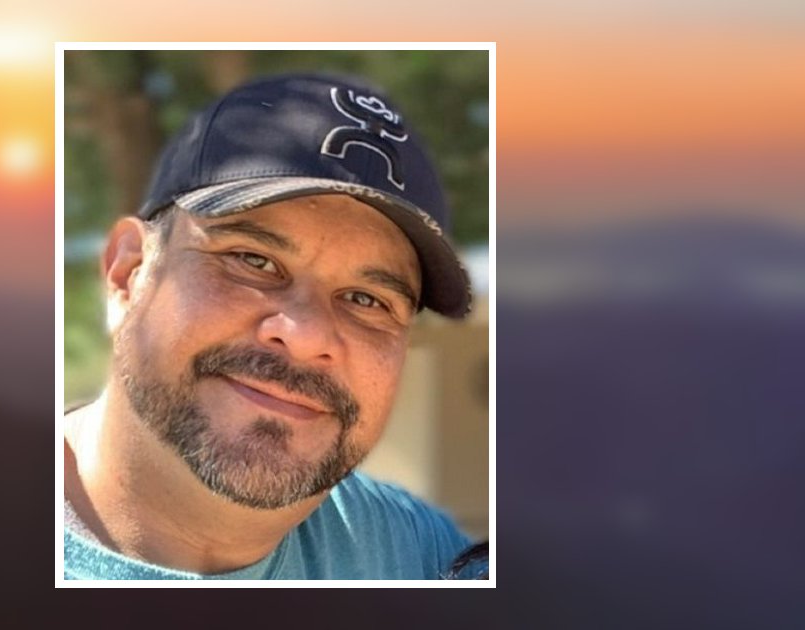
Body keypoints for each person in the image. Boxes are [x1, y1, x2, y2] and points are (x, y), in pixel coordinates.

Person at [63, 72, 487, 580]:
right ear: (128, 273)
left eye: (365, 299)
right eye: (253, 260)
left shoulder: (421, 555)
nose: (306, 336)